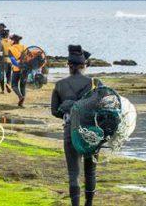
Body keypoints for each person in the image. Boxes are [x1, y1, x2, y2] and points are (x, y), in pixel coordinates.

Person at [50, 45, 97, 206]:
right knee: (90, 171)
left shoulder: (60, 85)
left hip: (70, 131)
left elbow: (54, 112)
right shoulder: (95, 83)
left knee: (73, 173)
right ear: (84, 65)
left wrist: (69, 108)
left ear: (68, 65)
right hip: (92, 133)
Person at [8, 34, 28, 107]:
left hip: (17, 70)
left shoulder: (11, 49)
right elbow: (29, 58)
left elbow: (13, 60)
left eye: (10, 39)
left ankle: (20, 97)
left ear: (13, 40)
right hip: (25, 69)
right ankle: (22, 103)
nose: (9, 41)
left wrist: (18, 65)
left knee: (14, 85)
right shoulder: (24, 47)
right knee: (23, 86)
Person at [0, 29, 12, 94]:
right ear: (8, 35)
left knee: (2, 75)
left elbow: (0, 52)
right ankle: (8, 84)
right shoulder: (11, 42)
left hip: (3, 61)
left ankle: (2, 90)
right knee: (9, 75)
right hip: (10, 60)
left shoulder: (1, 42)